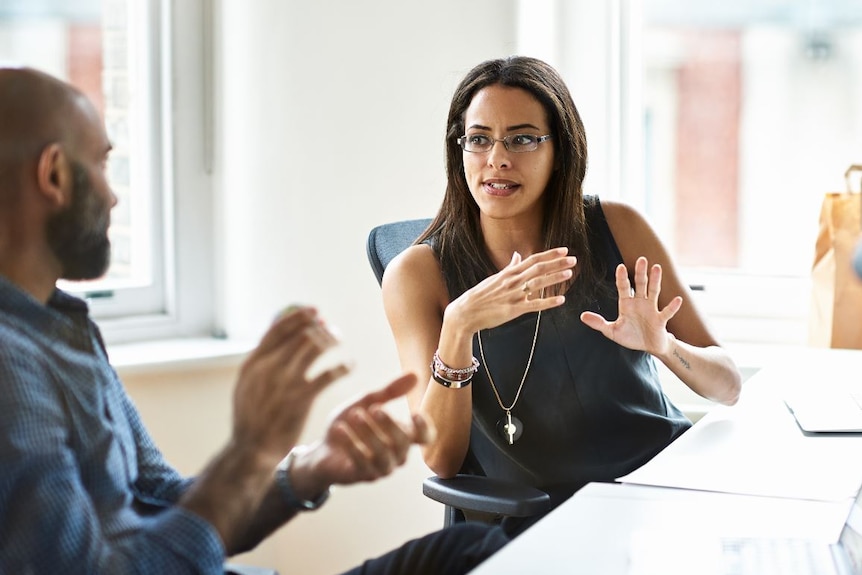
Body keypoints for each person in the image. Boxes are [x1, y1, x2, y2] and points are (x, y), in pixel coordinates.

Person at [0, 66, 510, 574]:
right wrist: (251, 448)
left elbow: (169, 508)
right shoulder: (10, 363)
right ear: (54, 175)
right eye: (101, 165)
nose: (113, 197)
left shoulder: (63, 327)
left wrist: (311, 467)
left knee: (470, 551)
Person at [381, 55, 743, 534]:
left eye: (523, 138)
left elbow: (730, 387)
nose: (497, 159)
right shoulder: (417, 274)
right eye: (479, 139)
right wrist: (459, 326)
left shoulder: (619, 227)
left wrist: (666, 348)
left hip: (662, 495)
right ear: (459, 149)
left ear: (561, 150)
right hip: (542, 523)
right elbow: (441, 460)